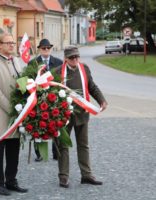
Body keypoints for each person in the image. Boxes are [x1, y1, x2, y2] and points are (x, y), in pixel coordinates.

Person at [55, 45, 108, 188]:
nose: (75, 59)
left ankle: (86, 175)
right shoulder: (57, 72)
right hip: (64, 115)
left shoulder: (84, 69)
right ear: (65, 58)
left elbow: (92, 87)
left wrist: (101, 100)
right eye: (71, 57)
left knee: (83, 145)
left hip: (82, 114)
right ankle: (63, 176)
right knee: (63, 146)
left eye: (77, 56)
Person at [0, 33, 28, 196]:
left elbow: (23, 81)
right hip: (1, 113)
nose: (12, 45)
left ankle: (11, 180)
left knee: (14, 149)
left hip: (16, 113)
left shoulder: (16, 60)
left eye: (13, 42)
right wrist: (12, 108)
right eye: (8, 43)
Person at [28, 38, 63, 162]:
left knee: (56, 124)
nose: (46, 50)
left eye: (48, 48)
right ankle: (39, 153)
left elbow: (61, 79)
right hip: (38, 98)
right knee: (37, 125)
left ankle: (56, 152)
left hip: (54, 97)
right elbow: (29, 79)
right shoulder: (33, 63)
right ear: (39, 50)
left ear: (51, 49)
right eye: (43, 48)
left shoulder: (58, 62)